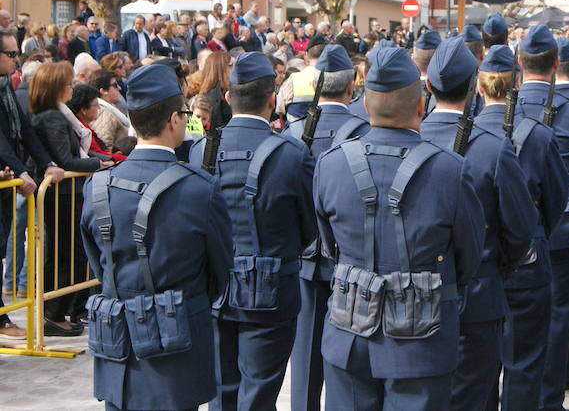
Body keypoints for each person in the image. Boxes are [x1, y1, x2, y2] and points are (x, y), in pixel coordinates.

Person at [314, 46, 484, 410]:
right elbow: (469, 257)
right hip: (421, 339)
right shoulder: (449, 170)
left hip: (349, 330)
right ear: (421, 107)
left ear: (365, 105)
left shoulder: (330, 164)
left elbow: (329, 248)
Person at [79, 63, 232, 410]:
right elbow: (220, 273)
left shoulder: (97, 187)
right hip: (177, 345)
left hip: (119, 348)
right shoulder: (200, 190)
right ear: (174, 120)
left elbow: (99, 265)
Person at [187, 52, 316, 411]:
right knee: (258, 395)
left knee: (221, 392)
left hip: (214, 289)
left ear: (228, 98)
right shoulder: (292, 153)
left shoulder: (201, 151)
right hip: (270, 290)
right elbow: (309, 228)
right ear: (272, 99)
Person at [421, 37, 534, 411]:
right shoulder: (493, 147)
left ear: (429, 86)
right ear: (473, 86)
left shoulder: (411, 140)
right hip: (478, 296)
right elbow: (520, 231)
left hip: (414, 300)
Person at [474, 45, 566, 411]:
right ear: (517, 83)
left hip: (478, 262)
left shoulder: (465, 135)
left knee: (477, 368)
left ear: (480, 87)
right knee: (525, 363)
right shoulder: (539, 135)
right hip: (527, 259)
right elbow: (557, 202)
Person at [514, 26, 569, 408]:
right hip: (567, 225)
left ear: (520, 62)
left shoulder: (508, 107)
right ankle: (550, 399)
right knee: (560, 313)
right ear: (556, 64)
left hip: (514, 228)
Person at [286, 45, 370, 411]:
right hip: (349, 259)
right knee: (349, 365)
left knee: (304, 358)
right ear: (351, 86)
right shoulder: (362, 131)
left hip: (304, 259)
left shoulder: (292, 133)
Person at [31, 61, 113, 336]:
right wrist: (98, 165)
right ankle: (54, 314)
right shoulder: (52, 117)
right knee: (67, 254)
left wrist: (103, 160)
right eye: (67, 84)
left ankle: (58, 312)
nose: (71, 88)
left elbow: (77, 154)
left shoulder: (58, 114)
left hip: (69, 192)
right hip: (62, 195)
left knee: (69, 253)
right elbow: (66, 159)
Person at [0, 33, 63, 338]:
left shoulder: (5, 87)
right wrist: (24, 172)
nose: (17, 60)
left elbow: (23, 130)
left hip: (9, 173)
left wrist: (47, 163)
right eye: (12, 55)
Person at [68, 84, 127, 163]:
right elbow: (98, 154)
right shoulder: (80, 130)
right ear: (83, 110)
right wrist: (125, 159)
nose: (99, 108)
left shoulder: (83, 125)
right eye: (95, 105)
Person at [90, 70, 132, 155]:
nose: (119, 88)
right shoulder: (104, 113)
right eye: (115, 85)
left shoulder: (110, 107)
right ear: (103, 91)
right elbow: (105, 146)